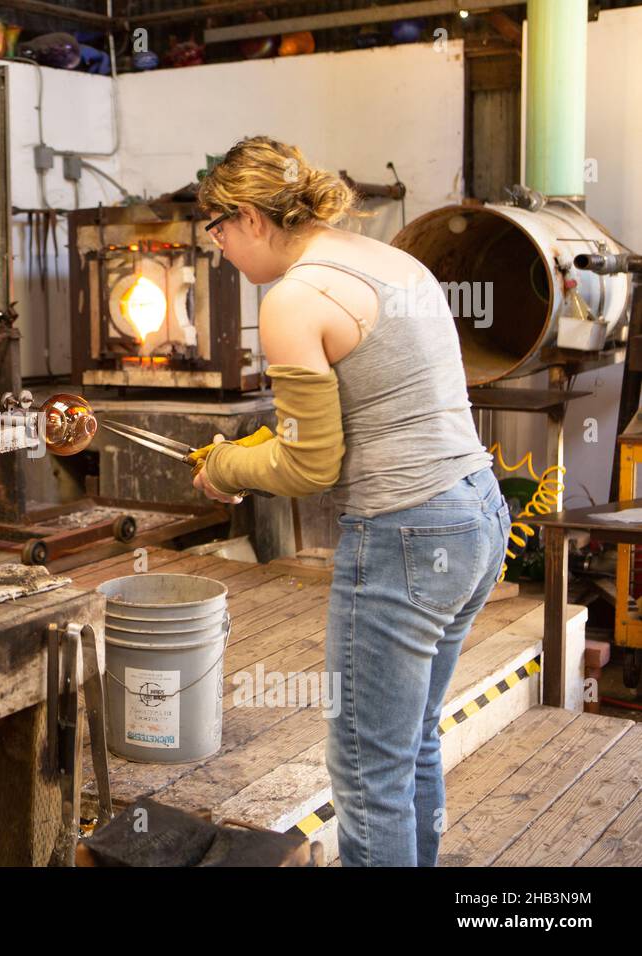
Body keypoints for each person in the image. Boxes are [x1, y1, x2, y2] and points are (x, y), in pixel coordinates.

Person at [191, 136, 511, 866]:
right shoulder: (392, 258)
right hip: (475, 513)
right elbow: (357, 410)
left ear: (249, 216)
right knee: (411, 744)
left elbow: (310, 464)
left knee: (368, 776)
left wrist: (226, 466)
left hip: (407, 531)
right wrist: (252, 451)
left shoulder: (295, 298)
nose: (220, 252)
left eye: (216, 232)